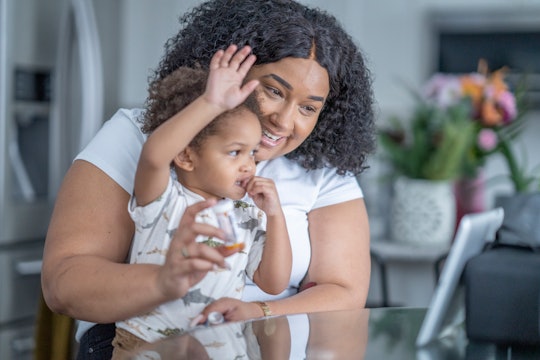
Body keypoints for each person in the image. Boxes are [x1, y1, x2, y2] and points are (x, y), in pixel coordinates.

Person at [41, 0, 376, 358]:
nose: (284, 120)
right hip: (144, 341)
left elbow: (345, 293)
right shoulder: (144, 138)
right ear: (230, 71)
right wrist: (163, 282)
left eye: (308, 107)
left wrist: (257, 313)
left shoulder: (315, 176)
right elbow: (64, 284)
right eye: (273, 91)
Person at [111, 46, 292, 357]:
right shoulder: (163, 198)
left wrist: (276, 217)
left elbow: (273, 283)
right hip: (147, 346)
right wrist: (211, 103)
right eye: (235, 152)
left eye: (252, 153)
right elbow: (154, 156)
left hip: (222, 349)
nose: (248, 165)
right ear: (185, 155)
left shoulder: (247, 213)